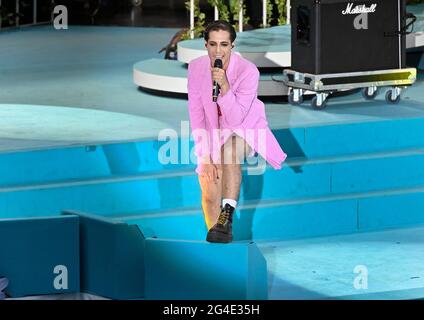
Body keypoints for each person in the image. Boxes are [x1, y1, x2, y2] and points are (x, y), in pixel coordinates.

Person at [187, 20, 287, 243]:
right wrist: (204, 156)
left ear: (232, 45)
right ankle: (218, 237)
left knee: (229, 153)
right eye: (213, 44)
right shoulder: (196, 68)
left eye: (224, 44)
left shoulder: (248, 71)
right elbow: (197, 114)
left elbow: (236, 118)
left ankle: (227, 215)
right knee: (209, 189)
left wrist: (225, 88)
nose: (218, 50)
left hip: (246, 125)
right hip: (214, 131)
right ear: (206, 45)